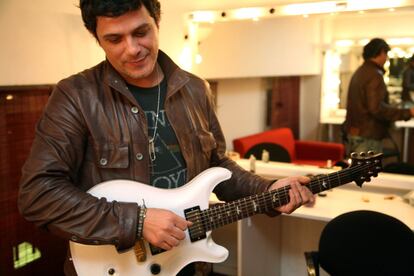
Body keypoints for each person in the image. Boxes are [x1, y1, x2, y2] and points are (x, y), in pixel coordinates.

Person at [17, 1, 314, 275]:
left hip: (189, 262)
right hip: (115, 265)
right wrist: (138, 221)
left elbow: (218, 165)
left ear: (157, 19)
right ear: (95, 37)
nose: (132, 49)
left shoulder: (196, 89)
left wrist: (269, 190)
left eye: (141, 32)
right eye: (114, 39)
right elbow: (38, 194)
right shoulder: (75, 96)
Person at [344, 38, 414, 155]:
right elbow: (376, 108)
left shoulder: (360, 72)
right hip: (368, 136)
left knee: (359, 171)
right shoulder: (374, 75)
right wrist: (407, 112)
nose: (386, 59)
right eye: (386, 54)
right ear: (381, 52)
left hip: (356, 132)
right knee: (368, 172)